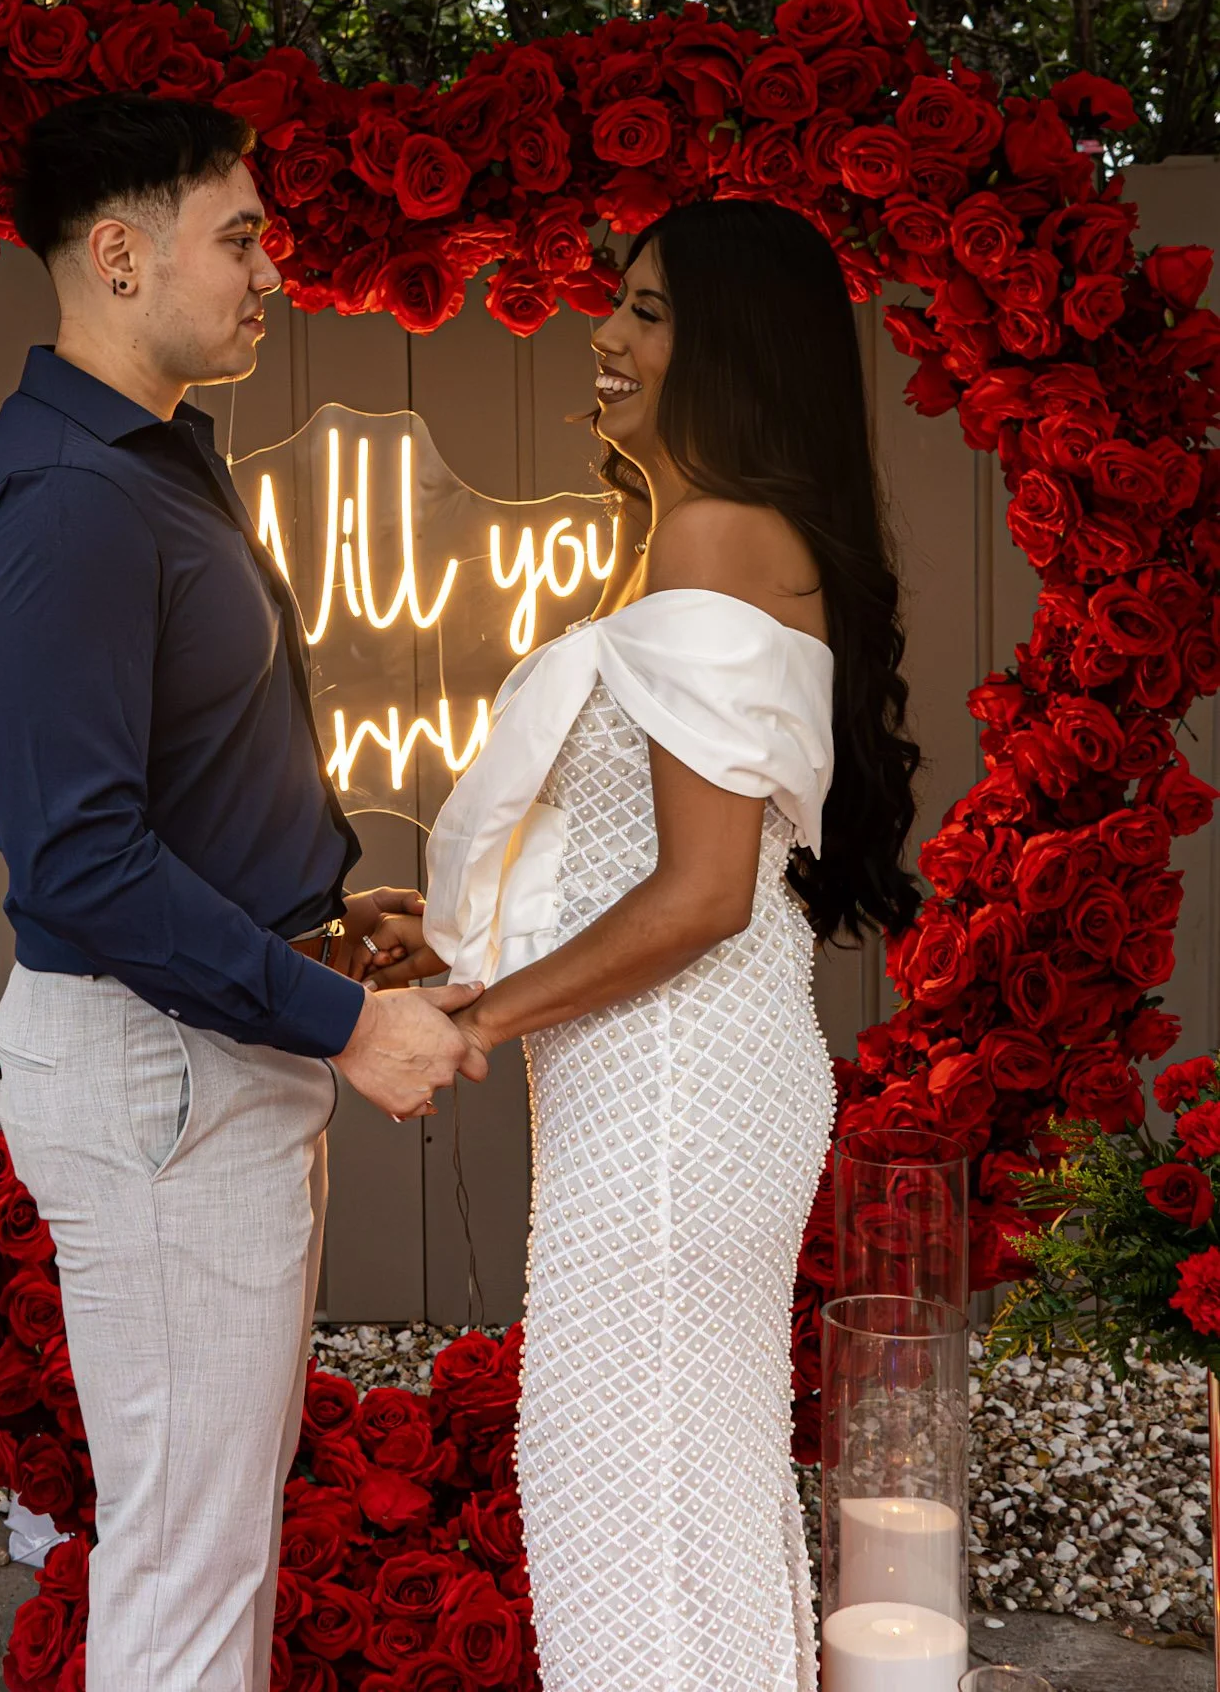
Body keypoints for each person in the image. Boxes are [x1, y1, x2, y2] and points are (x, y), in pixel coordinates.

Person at [0, 93, 483, 1692]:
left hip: (198, 1043)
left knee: (213, 1538)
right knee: (185, 1564)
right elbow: (83, 861)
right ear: (118, 254)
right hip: (157, 1068)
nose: (269, 273)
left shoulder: (149, 459)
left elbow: (175, 775)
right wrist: (342, 1021)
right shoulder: (68, 500)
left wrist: (320, 906)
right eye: (238, 239)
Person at [381, 199, 921, 1689]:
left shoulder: (711, 537)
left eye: (648, 312)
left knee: (625, 1495)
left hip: (678, 1100)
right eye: (616, 305)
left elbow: (699, 894)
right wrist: (464, 945)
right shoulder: (727, 542)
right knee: (683, 1499)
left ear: (736, 350)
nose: (605, 341)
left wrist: (477, 1023)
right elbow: (648, 860)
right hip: (676, 1092)